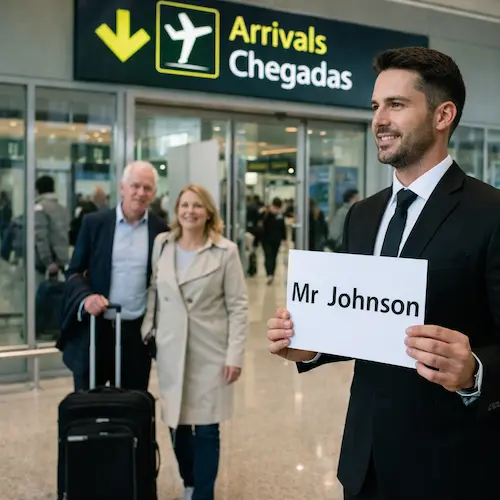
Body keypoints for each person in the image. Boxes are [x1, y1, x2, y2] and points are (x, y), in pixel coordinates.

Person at [266, 46, 500, 500]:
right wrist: (309, 347)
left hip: (452, 469)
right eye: (375, 106)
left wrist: (475, 370)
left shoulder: (490, 213)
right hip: (366, 462)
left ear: (443, 115)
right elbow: (365, 324)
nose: (378, 119)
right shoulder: (364, 215)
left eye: (396, 104)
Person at [141, 184, 248, 500]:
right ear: (176, 211)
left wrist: (235, 355)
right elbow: (153, 289)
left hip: (210, 350)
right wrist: (149, 328)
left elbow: (239, 305)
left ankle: (203, 493)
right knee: (176, 424)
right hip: (171, 347)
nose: (190, 211)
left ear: (208, 213)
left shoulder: (225, 251)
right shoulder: (163, 244)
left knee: (206, 428)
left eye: (197, 206)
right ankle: (189, 481)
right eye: (184, 205)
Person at [58, 161, 168, 391]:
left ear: (154, 194)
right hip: (97, 331)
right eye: (135, 186)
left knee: (133, 406)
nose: (140, 193)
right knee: (89, 403)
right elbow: (74, 271)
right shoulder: (95, 224)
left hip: (136, 335)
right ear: (122, 188)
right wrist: (86, 299)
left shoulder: (161, 230)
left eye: (147, 188)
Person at [34, 175, 69, 287]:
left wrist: (47, 261)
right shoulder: (61, 208)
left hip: (44, 264)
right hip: (61, 260)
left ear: (38, 190)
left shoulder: (39, 208)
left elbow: (40, 237)